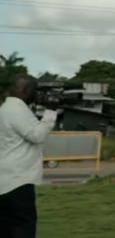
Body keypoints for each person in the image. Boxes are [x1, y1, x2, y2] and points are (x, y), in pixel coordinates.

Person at [0, 75, 58, 238]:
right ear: (26, 90)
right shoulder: (17, 110)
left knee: (5, 227)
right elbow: (37, 135)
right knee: (23, 225)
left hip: (5, 177)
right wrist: (51, 112)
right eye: (34, 91)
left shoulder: (5, 108)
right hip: (18, 179)